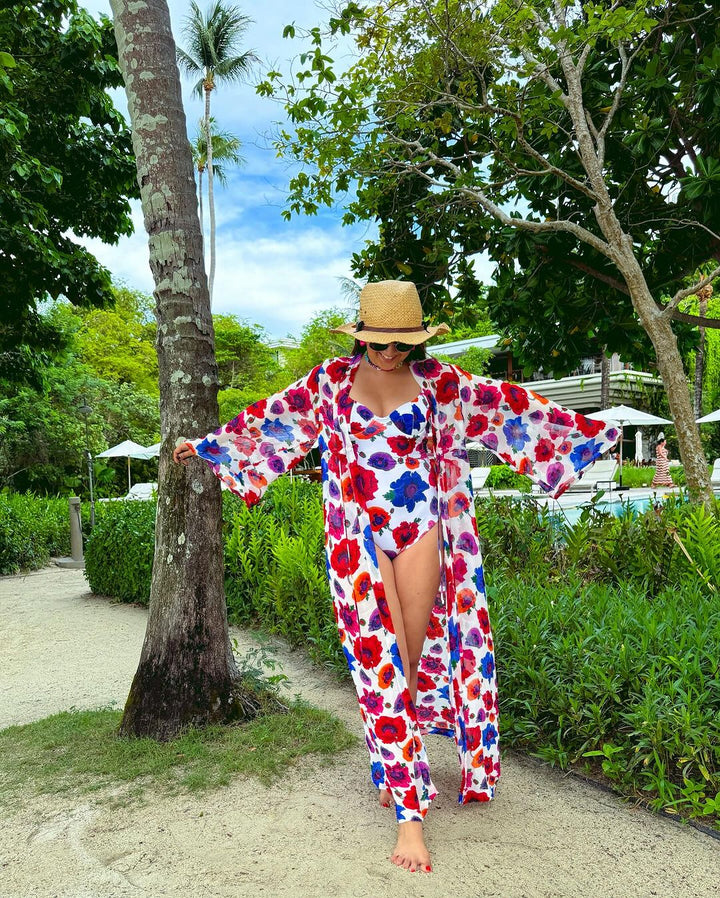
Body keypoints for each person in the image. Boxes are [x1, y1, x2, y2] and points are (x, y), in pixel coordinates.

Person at [173, 280, 619, 873]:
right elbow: (273, 422)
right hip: (359, 533)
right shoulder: (328, 383)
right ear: (361, 335)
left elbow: (512, 410)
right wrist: (209, 445)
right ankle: (411, 818)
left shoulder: (442, 384)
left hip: (424, 526)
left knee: (405, 662)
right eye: (380, 342)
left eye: (403, 344)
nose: (390, 353)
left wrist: (589, 437)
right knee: (378, 663)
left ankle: (394, 768)